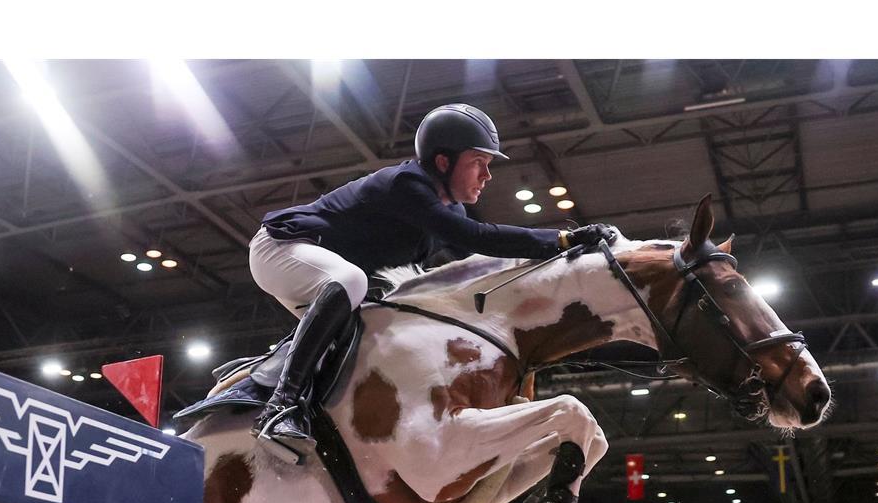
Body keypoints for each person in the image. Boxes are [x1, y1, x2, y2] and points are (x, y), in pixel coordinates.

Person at [248, 103, 616, 457]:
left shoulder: (446, 209)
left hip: (327, 275)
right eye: (478, 163)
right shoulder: (408, 185)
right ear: (443, 162)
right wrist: (563, 239)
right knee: (351, 281)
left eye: (487, 165)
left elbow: (473, 271)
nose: (487, 176)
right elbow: (479, 237)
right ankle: (281, 406)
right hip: (282, 248)